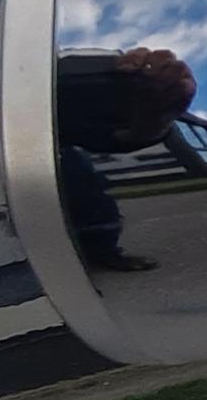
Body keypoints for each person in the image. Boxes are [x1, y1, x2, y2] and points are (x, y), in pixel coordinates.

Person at [57, 46, 196, 272]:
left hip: (52, 142)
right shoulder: (64, 71)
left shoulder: (73, 74)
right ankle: (99, 249)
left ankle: (101, 251)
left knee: (81, 179)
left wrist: (157, 120)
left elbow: (101, 139)